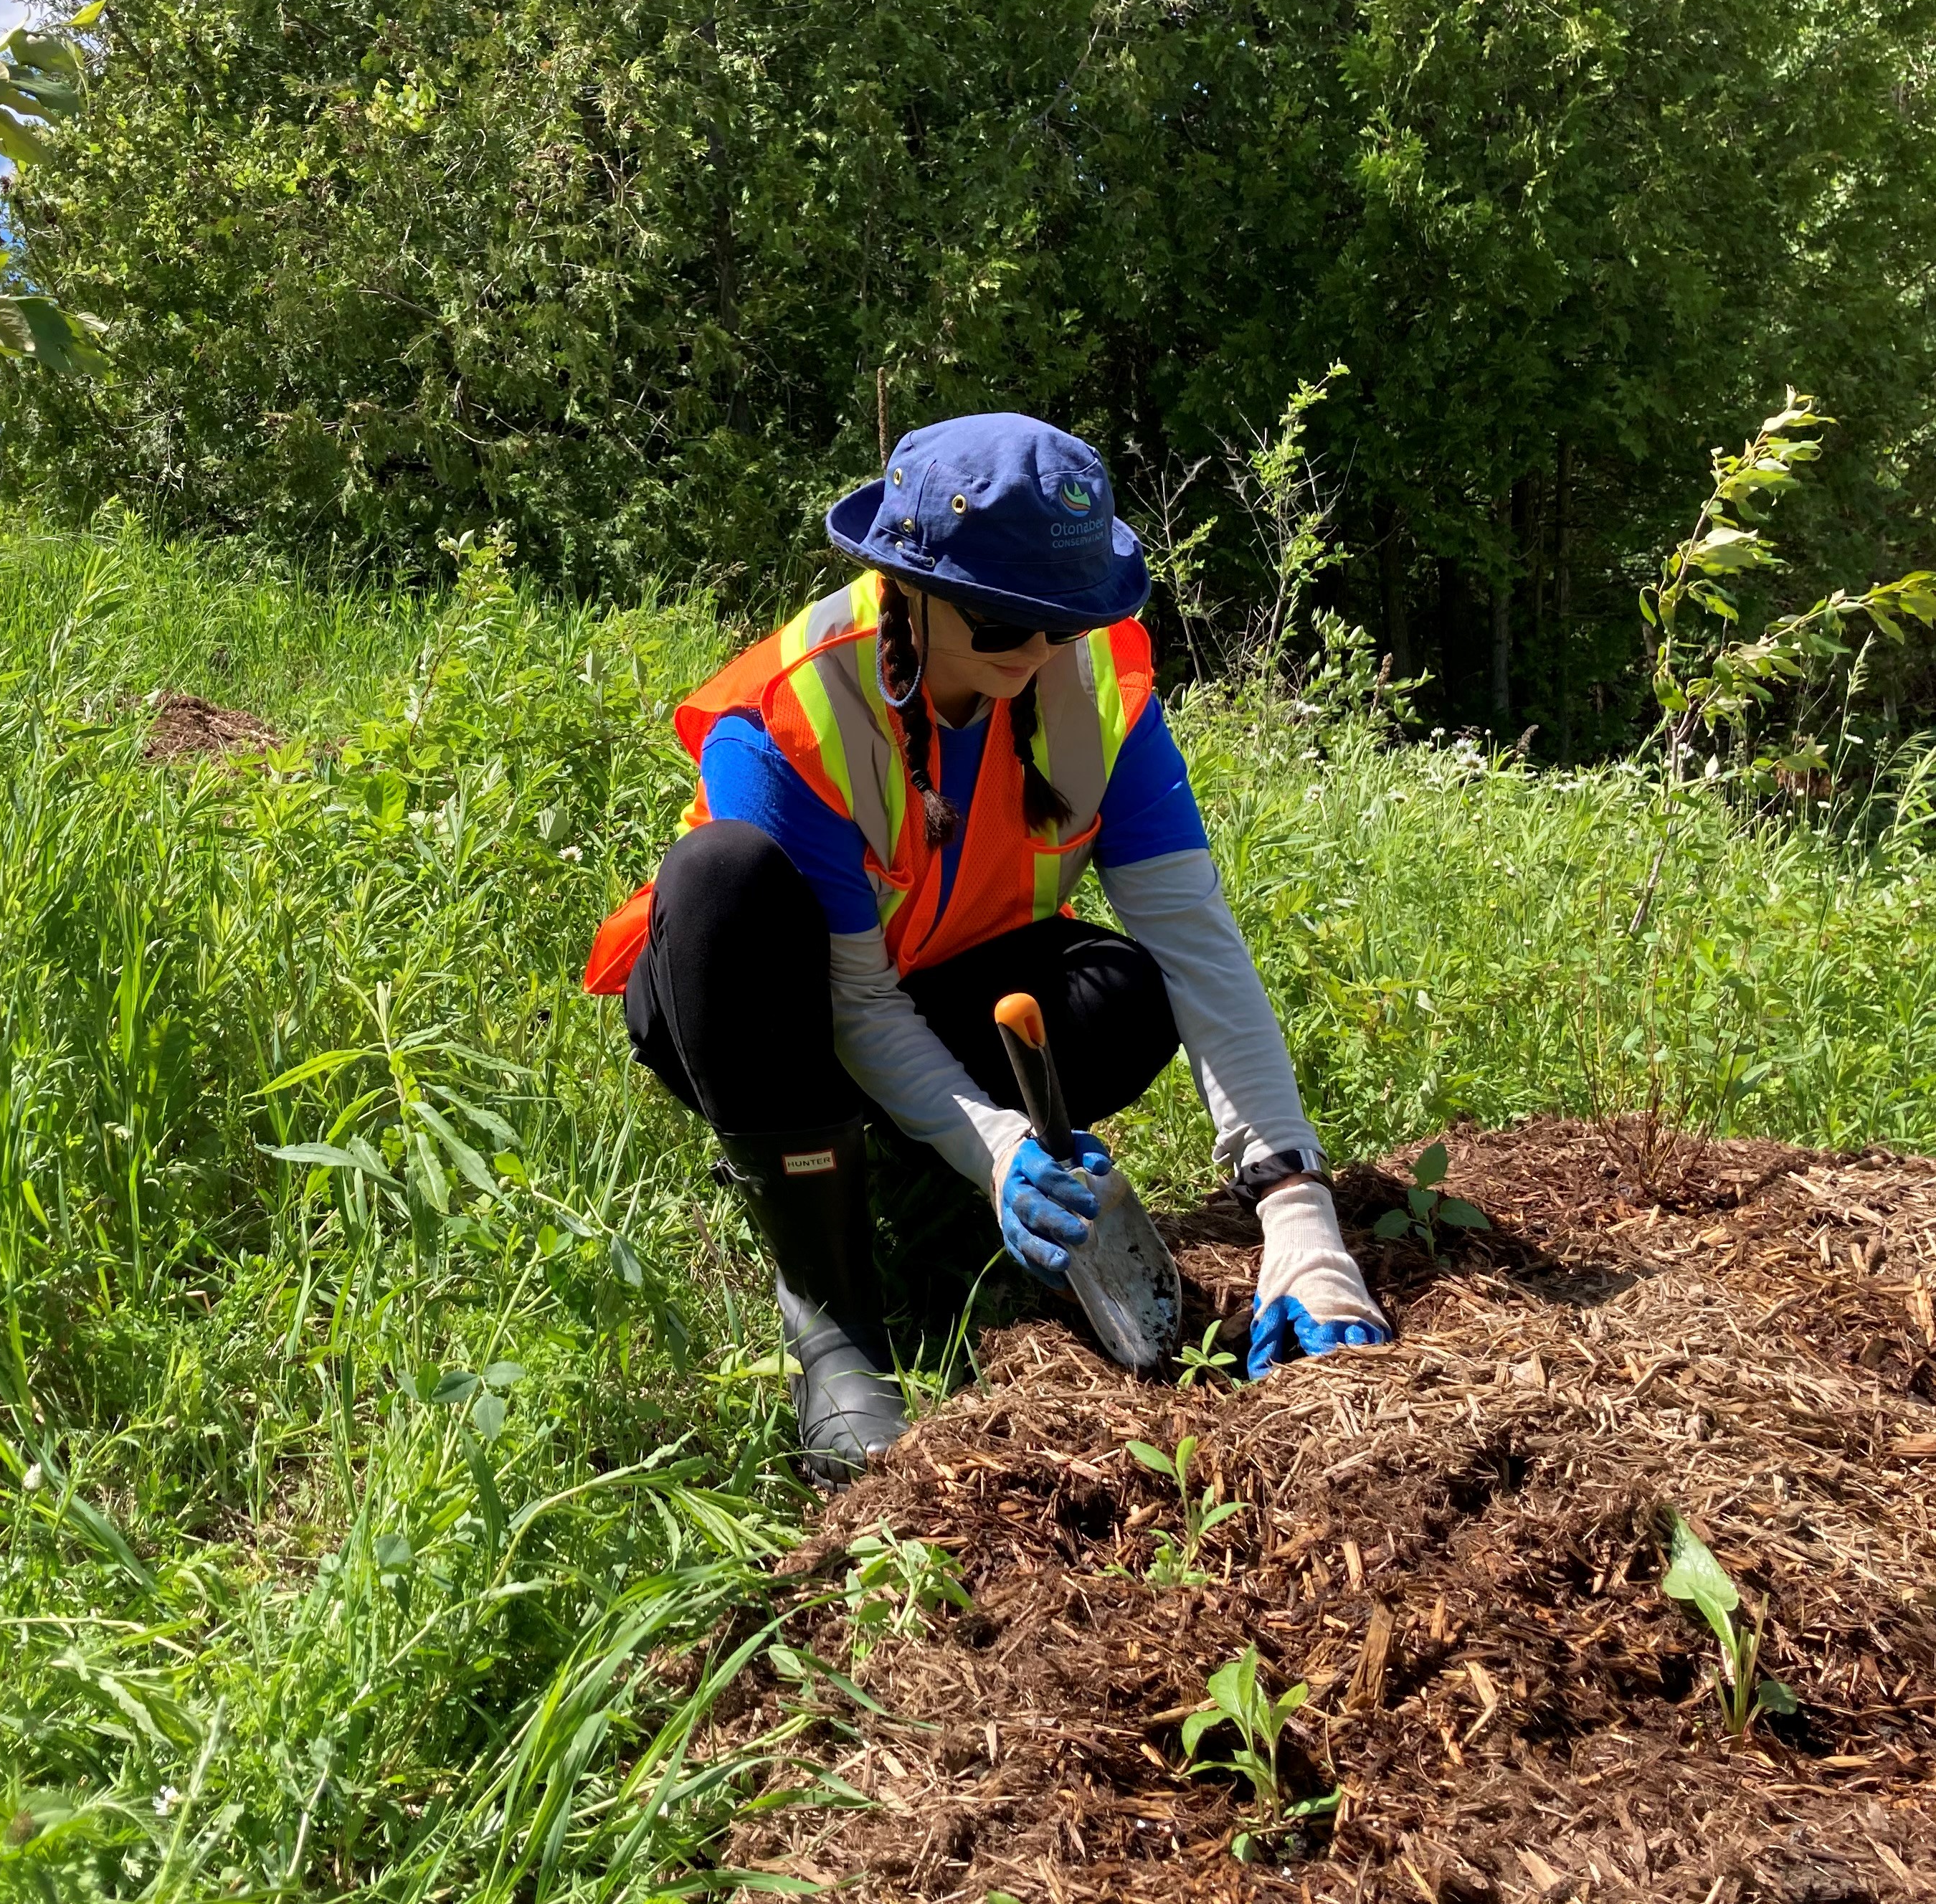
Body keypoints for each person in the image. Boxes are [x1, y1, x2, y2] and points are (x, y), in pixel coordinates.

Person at [584, 412, 1388, 1480]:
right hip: (766, 1017)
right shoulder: (796, 714)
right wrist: (1004, 1148)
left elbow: (1196, 941)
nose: (1042, 653)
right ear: (903, 581)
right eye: (1005, 626)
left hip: (940, 986)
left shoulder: (1100, 692)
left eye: (1066, 621)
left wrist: (1294, 1205)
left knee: (1129, 991)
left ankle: (928, 1176)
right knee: (721, 875)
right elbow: (858, 1004)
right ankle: (832, 1308)